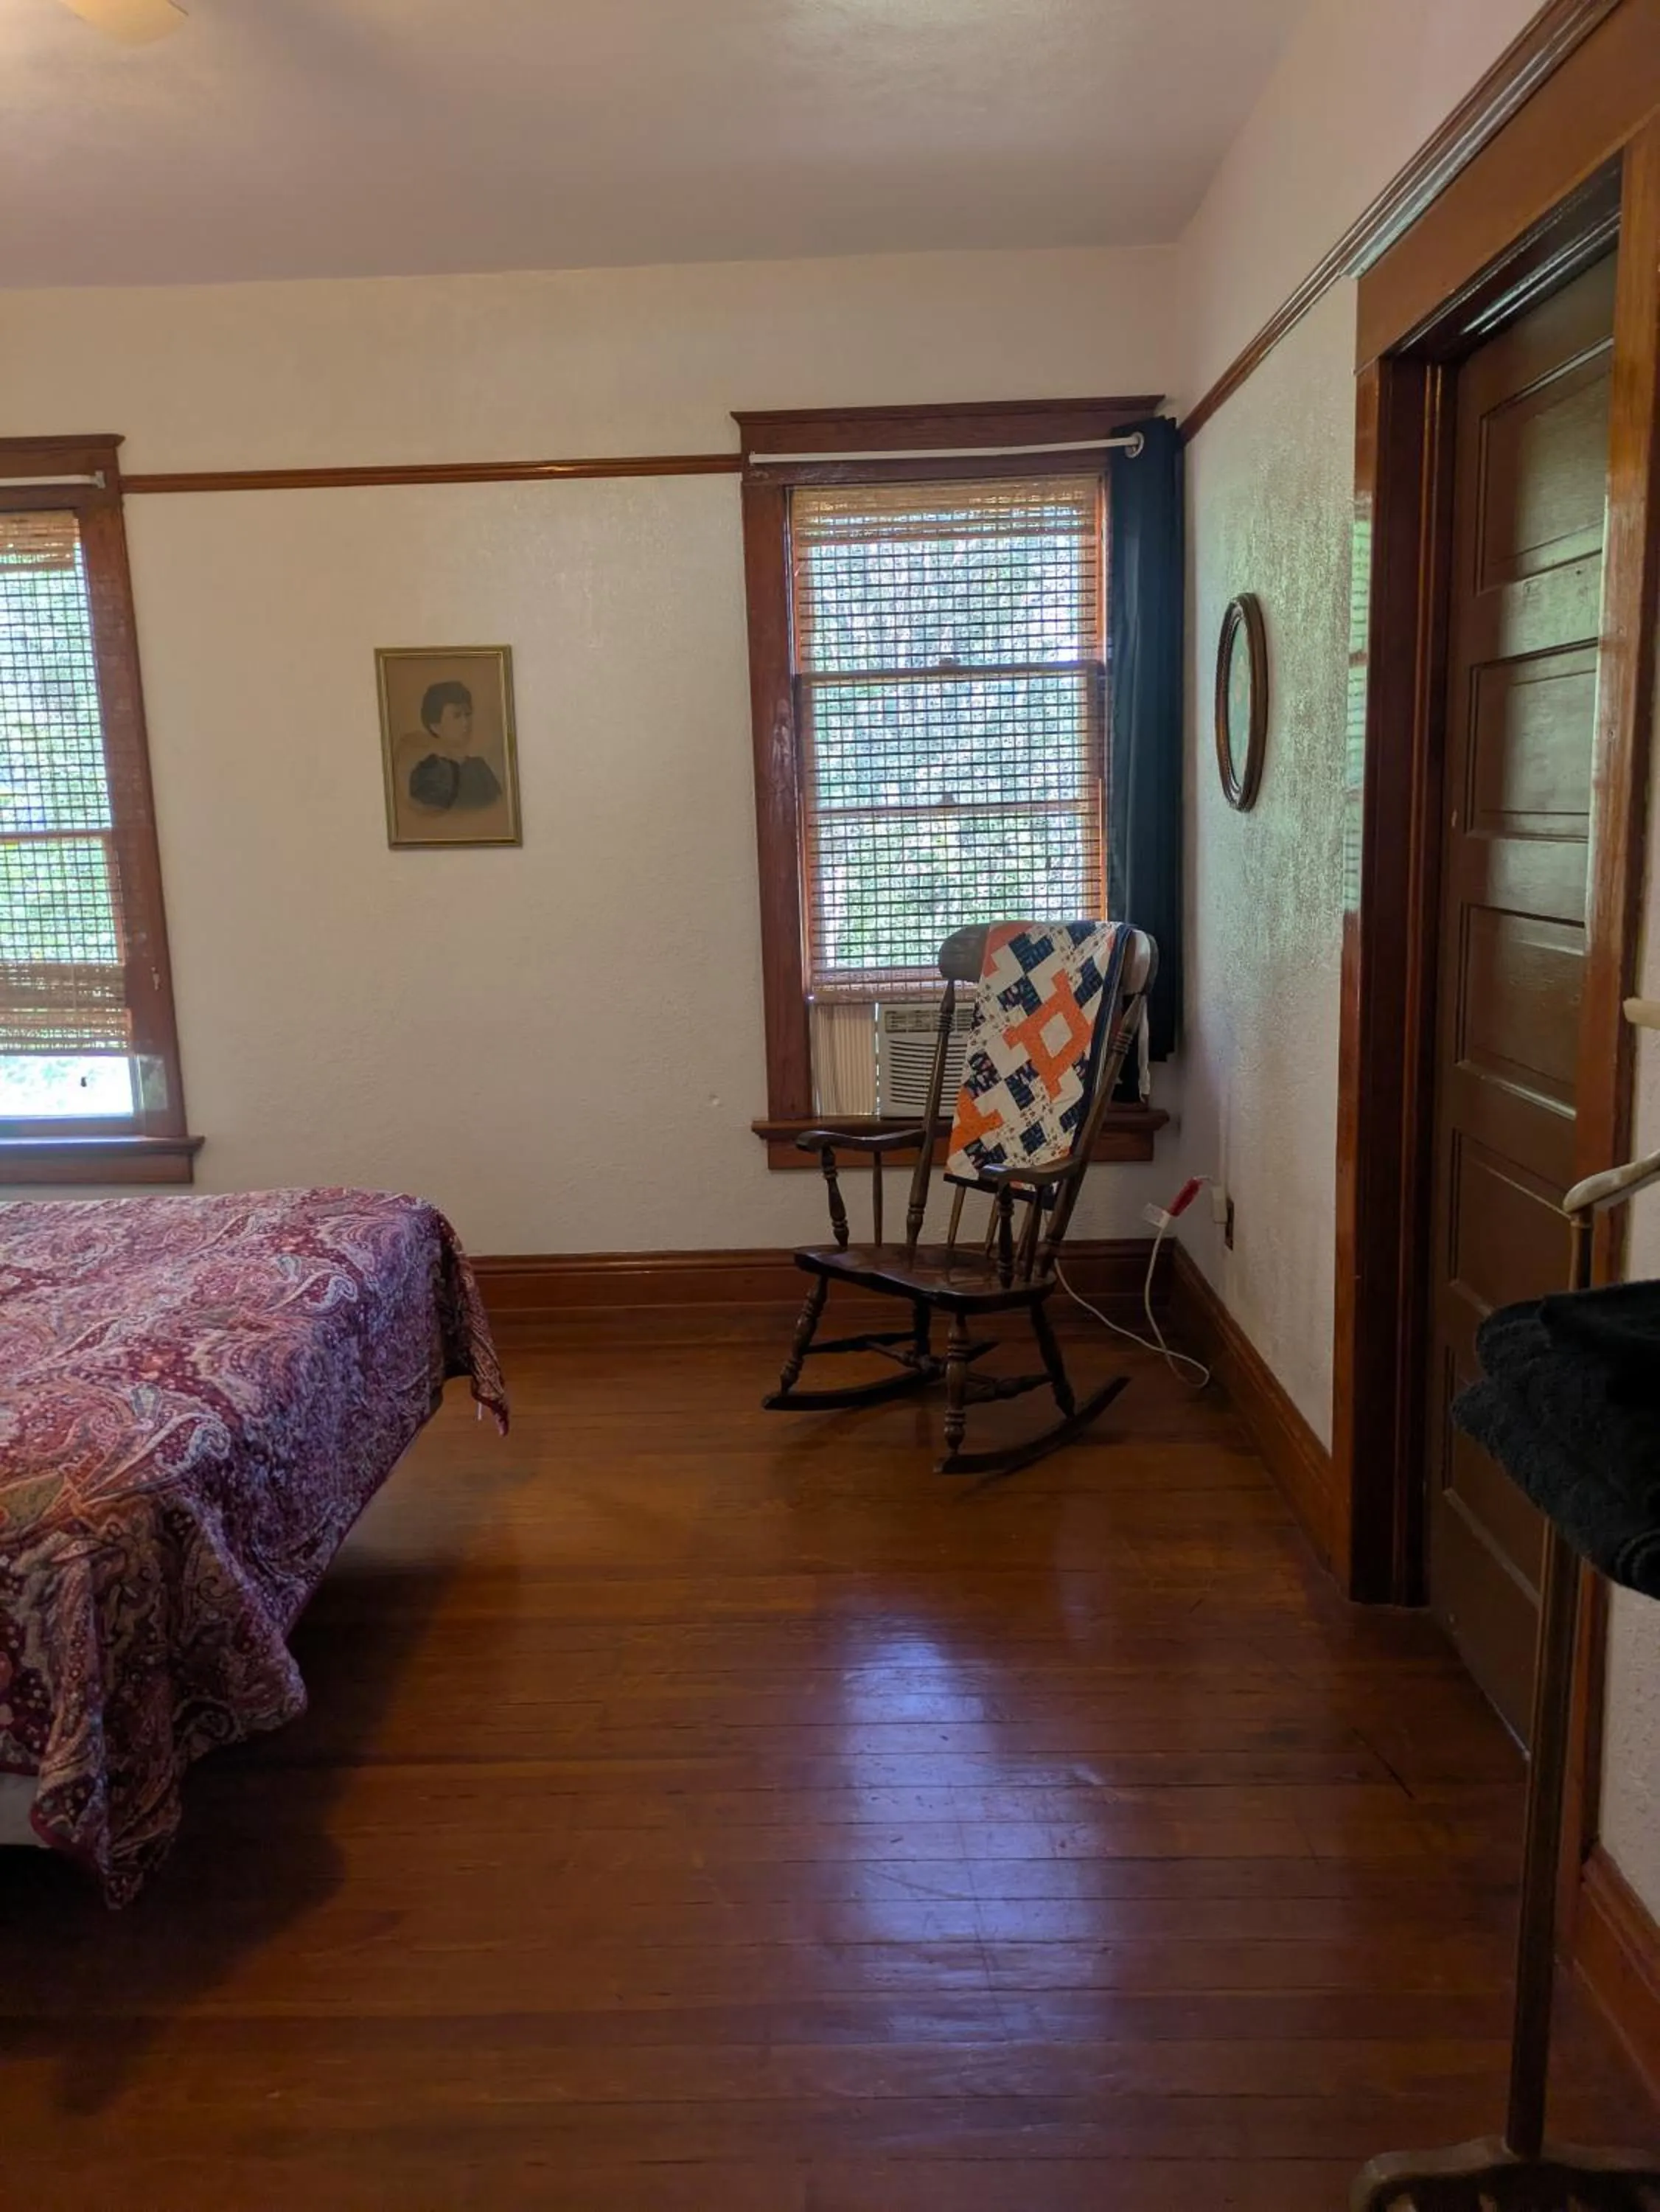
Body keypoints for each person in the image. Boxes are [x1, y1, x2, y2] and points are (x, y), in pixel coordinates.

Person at [403, 681, 502, 812]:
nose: (466, 723)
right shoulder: (426, 774)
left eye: (468, 714)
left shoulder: (479, 768)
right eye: (457, 716)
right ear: (435, 727)